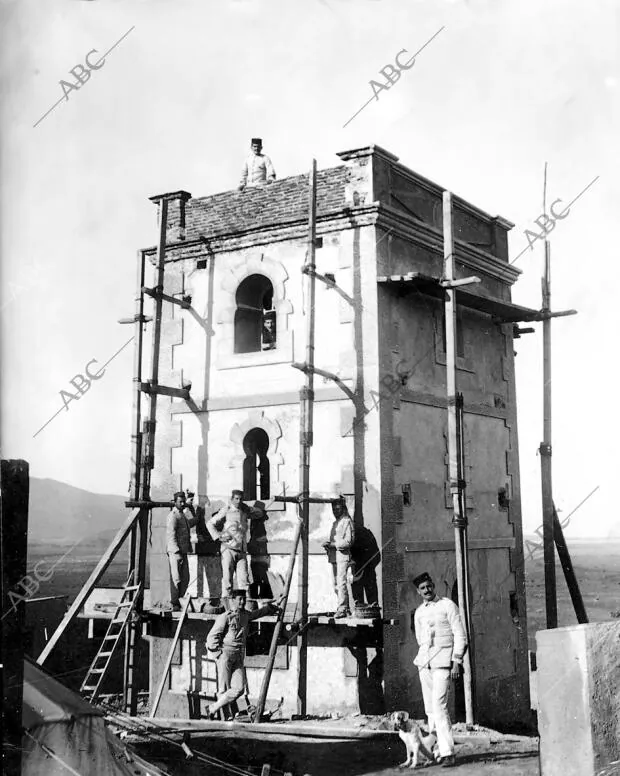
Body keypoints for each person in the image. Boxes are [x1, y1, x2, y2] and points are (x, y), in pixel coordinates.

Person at [412, 572, 467, 768]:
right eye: (422, 588)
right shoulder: (419, 612)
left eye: (429, 586)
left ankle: (448, 752)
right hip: (425, 664)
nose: (427, 590)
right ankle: (436, 750)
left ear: (433, 586)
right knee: (430, 709)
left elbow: (460, 635)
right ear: (419, 592)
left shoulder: (447, 605)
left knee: (439, 706)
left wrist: (456, 660)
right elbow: (420, 640)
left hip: (444, 663)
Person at [206, 588, 280, 717]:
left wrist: (272, 608)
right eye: (240, 599)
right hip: (225, 654)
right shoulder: (225, 617)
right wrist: (218, 654)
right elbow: (212, 637)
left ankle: (213, 708)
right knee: (223, 688)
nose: (242, 601)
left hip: (238, 655)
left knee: (239, 688)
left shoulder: (246, 615)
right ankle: (224, 719)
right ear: (233, 601)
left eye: (244, 599)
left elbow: (258, 613)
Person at [207, 490, 266, 601]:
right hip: (228, 549)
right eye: (236, 499)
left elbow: (260, 513)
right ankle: (227, 607)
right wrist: (219, 537)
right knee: (227, 581)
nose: (238, 501)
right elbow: (209, 524)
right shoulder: (226, 510)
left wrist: (248, 508)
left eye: (240, 499)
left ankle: (245, 607)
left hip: (242, 550)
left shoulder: (244, 511)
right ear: (232, 499)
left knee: (244, 580)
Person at [166, 491, 200, 611]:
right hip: (176, 552)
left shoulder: (182, 515)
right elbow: (171, 535)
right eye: (179, 501)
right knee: (176, 578)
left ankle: (179, 599)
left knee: (186, 577)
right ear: (175, 502)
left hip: (184, 551)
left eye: (183, 501)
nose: (182, 503)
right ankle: (174, 602)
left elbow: (191, 523)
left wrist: (192, 509)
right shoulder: (173, 516)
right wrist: (176, 552)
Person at [322, 498, 355, 618]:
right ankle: (343, 606)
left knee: (341, 583)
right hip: (334, 556)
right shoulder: (335, 523)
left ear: (343, 508)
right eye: (333, 509)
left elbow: (348, 541)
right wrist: (328, 545)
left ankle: (343, 608)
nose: (335, 511)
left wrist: (333, 545)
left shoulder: (347, 521)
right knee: (336, 583)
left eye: (338, 508)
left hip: (343, 556)